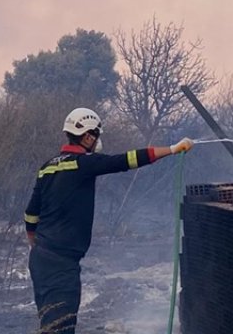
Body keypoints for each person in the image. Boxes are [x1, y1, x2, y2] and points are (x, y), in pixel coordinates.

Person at [24, 107, 194, 333]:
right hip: (62, 263)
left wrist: (36, 244)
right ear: (87, 135)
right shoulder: (83, 163)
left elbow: (30, 214)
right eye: (96, 135)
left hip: (40, 259)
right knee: (60, 327)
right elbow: (127, 160)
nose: (96, 141)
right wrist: (172, 149)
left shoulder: (47, 167)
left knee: (49, 322)